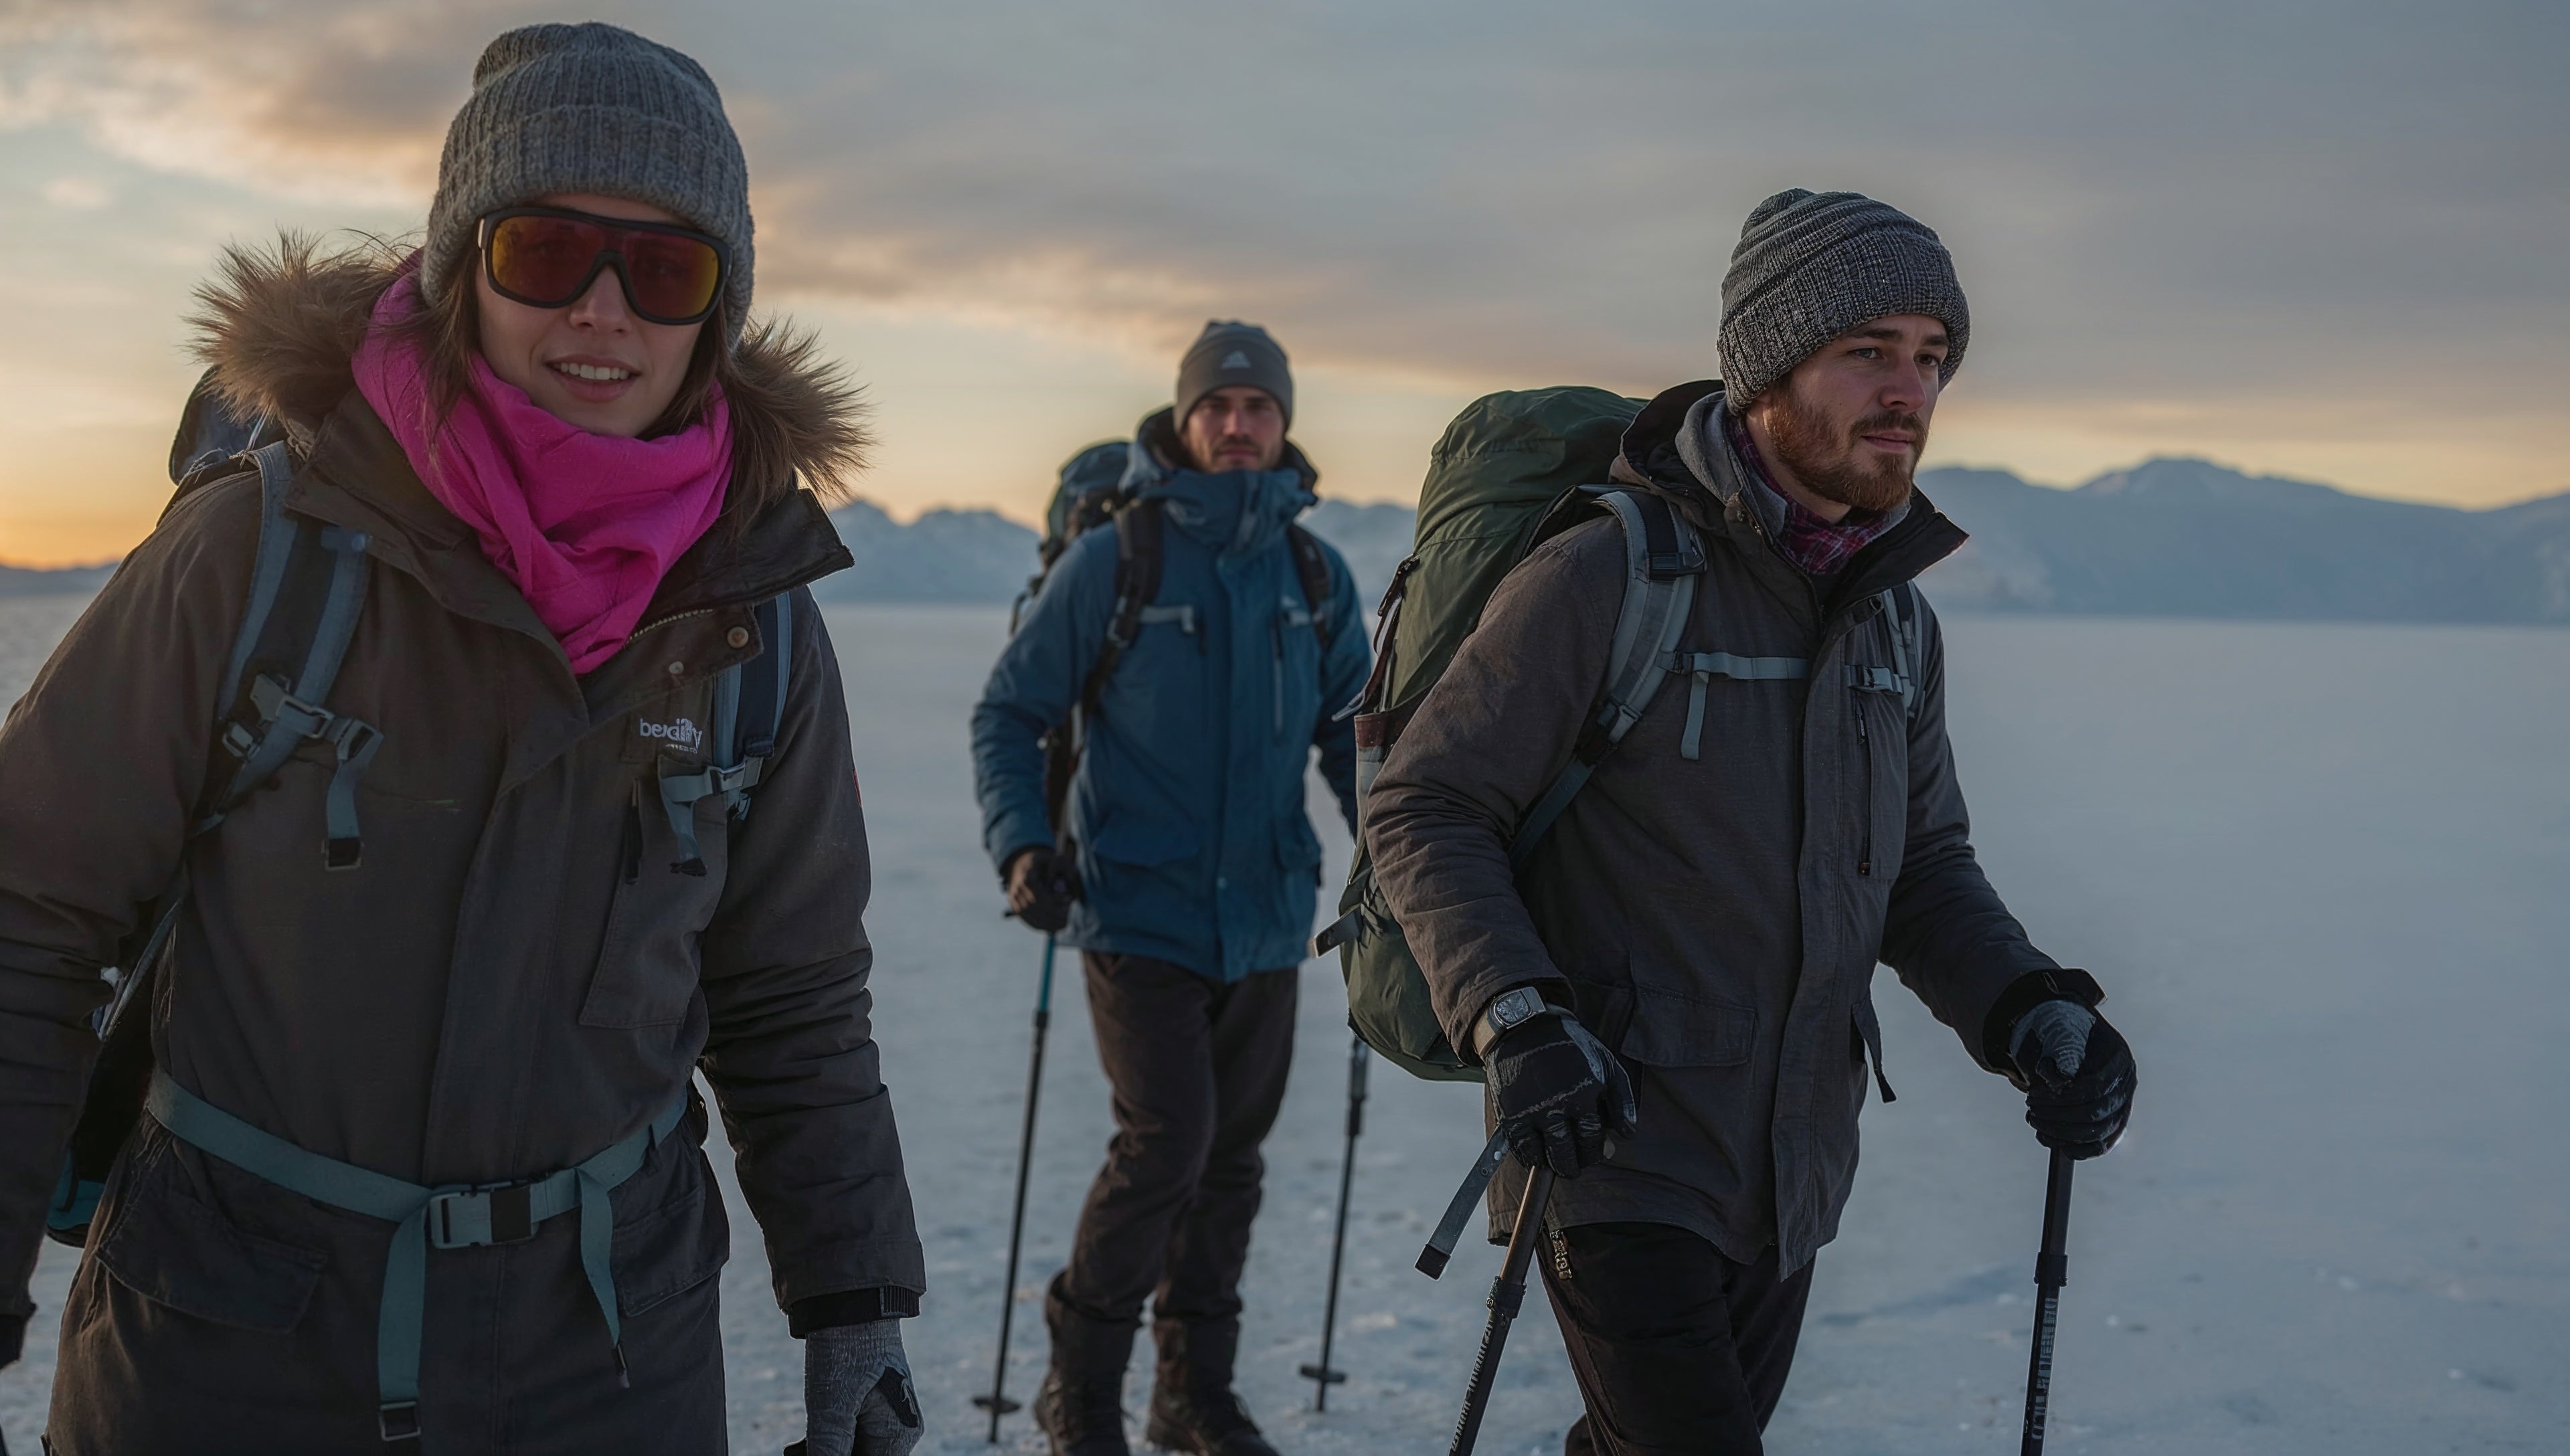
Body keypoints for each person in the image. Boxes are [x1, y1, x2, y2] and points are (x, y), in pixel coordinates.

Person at [0, 23, 924, 1454]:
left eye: (664, 268)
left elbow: (792, 992)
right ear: (456, 273)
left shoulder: (751, 621)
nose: (603, 313)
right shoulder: (259, 555)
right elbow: (25, 918)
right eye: (547, 253)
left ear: (718, 310)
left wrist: (854, 1297)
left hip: (609, 1357)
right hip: (228, 1354)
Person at [1363, 189, 2138, 1454]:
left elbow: (1923, 869)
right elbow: (1429, 802)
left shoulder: (1891, 617)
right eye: (1868, 351)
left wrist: (2026, 1007)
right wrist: (1517, 1016)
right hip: (1610, 1139)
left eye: (1932, 358)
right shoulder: (1610, 569)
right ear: (1770, 368)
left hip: (1789, 1163)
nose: (1910, 390)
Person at [970, 323, 1370, 1456]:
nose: (1238, 424)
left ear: (1283, 423)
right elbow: (1012, 712)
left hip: (1268, 920)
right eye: (1218, 407)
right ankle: (1081, 1387)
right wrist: (1019, 845)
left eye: (1258, 406)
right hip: (1135, 910)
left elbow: (1352, 738)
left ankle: (1191, 1392)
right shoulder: (1120, 557)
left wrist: (1391, 851)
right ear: (1186, 423)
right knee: (1168, 1144)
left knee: (1230, 1164)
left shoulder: (1313, 571)